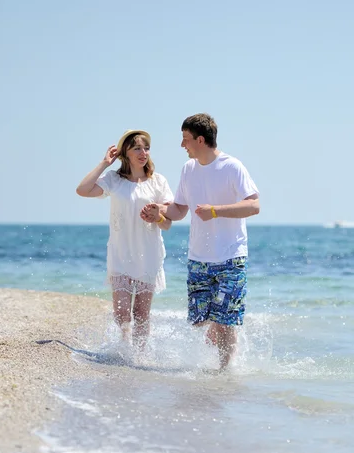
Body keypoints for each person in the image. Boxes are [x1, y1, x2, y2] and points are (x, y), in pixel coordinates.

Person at [141, 113, 260, 369]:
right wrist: (158, 213)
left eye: (185, 139)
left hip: (231, 256)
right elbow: (179, 210)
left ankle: (223, 374)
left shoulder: (232, 167)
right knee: (199, 322)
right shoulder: (188, 170)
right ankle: (214, 337)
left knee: (225, 321)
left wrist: (216, 210)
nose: (182, 145)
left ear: (201, 140)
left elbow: (253, 205)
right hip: (198, 258)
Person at [76, 130, 173, 348]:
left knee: (141, 314)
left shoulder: (158, 182)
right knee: (121, 314)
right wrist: (104, 164)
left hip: (148, 253)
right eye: (137, 148)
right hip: (120, 253)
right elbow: (82, 190)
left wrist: (157, 216)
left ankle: (138, 356)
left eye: (146, 148)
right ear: (125, 153)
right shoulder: (114, 179)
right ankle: (123, 350)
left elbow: (167, 224)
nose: (143, 152)